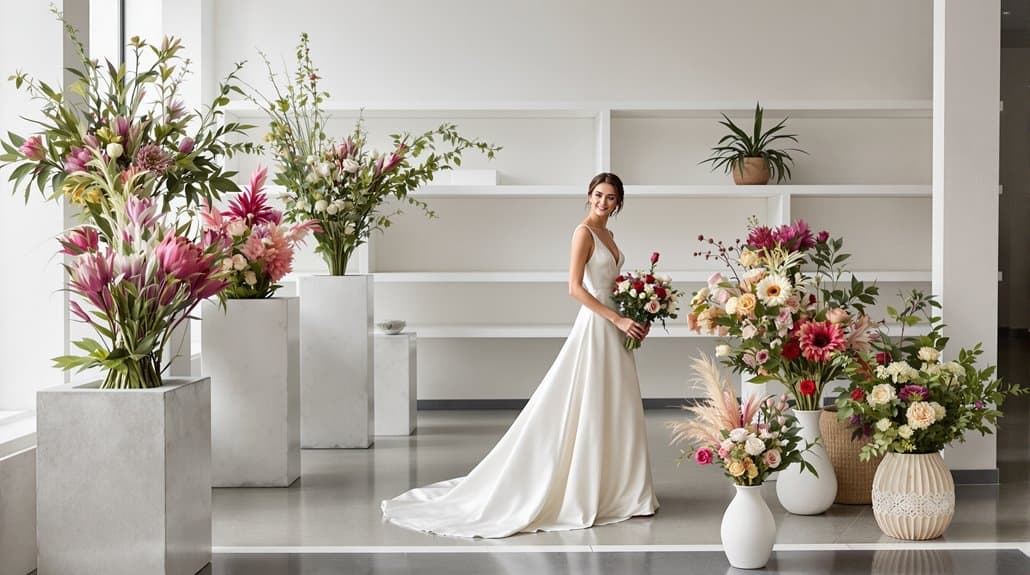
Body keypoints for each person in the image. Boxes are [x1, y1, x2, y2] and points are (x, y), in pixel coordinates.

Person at [380, 172, 659, 538]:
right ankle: (584, 488)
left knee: (616, 404)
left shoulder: (610, 235)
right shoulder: (584, 233)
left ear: (619, 203)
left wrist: (636, 313)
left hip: (617, 327)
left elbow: (613, 285)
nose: (602, 202)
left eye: (609, 197)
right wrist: (617, 318)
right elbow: (575, 288)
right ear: (588, 196)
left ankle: (621, 491)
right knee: (588, 401)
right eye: (597, 195)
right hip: (597, 325)